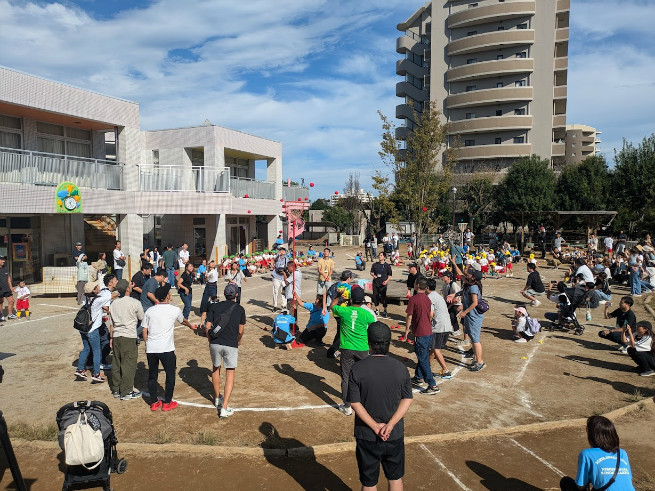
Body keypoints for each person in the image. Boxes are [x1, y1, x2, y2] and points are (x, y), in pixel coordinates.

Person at [347, 322, 413, 491]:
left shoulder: (357, 368)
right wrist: (390, 425)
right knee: (395, 478)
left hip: (367, 434)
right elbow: (407, 399)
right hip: (394, 434)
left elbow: (355, 402)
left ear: (368, 342)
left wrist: (375, 426)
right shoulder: (401, 368)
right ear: (389, 342)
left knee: (369, 483)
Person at [143, 283, 196, 412]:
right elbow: (182, 320)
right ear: (167, 296)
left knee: (152, 375)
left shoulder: (150, 311)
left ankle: (154, 402)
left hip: (152, 348)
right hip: (166, 348)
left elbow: (145, 330)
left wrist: (147, 343)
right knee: (170, 375)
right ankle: (167, 402)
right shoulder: (174, 310)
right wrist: (190, 326)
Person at [559, 415, 634, 491]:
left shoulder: (586, 454)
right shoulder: (622, 453)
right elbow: (627, 478)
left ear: (592, 435)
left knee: (566, 482)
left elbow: (580, 486)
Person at [331, 287, 375, 415]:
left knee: (346, 377)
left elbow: (332, 306)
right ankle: (366, 402)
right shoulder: (367, 314)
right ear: (362, 301)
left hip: (347, 349)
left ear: (350, 299)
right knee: (365, 376)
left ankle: (347, 406)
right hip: (362, 348)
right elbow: (373, 329)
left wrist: (338, 296)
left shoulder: (344, 311)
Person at [205, 283, 246, 418]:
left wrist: (210, 340)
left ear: (224, 294)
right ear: (236, 295)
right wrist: (238, 340)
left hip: (215, 342)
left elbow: (207, 327)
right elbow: (240, 330)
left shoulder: (214, 306)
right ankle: (224, 407)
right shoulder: (240, 309)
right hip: (230, 343)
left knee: (216, 368)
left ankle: (217, 398)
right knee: (230, 374)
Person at [109, 279, 144, 400]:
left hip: (117, 335)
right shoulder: (135, 302)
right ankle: (126, 391)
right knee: (128, 364)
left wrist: (111, 337)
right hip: (129, 335)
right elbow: (141, 317)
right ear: (128, 289)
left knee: (117, 363)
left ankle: (116, 389)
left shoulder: (113, 304)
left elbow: (111, 323)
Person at [404, 278, 438, 395]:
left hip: (420, 333)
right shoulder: (427, 299)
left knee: (423, 358)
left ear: (417, 285)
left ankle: (432, 384)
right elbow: (430, 315)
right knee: (422, 355)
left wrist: (407, 330)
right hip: (428, 331)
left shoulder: (413, 299)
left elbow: (409, 316)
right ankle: (418, 377)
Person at [451, 257, 486, 372]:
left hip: (474, 316)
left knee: (475, 339)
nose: (468, 273)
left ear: (473, 277)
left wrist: (464, 312)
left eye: (470, 273)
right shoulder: (468, 283)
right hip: (470, 315)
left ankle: (480, 362)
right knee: (472, 336)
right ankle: (475, 357)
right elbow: (460, 273)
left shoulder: (474, 287)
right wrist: (454, 263)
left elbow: (475, 303)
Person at [74, 281, 106, 383]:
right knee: (96, 351)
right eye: (97, 286)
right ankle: (96, 374)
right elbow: (111, 296)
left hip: (83, 328)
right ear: (93, 290)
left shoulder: (85, 298)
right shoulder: (98, 300)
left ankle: (80, 369)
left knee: (86, 348)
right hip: (92, 329)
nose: (99, 287)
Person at [427, 278, 452, 379]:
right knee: (434, 347)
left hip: (439, 327)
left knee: (436, 349)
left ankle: (445, 370)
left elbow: (431, 314)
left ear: (427, 287)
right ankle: (427, 365)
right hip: (446, 325)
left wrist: (427, 324)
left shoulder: (430, 297)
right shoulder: (438, 295)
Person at [325, 270, 354, 359]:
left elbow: (326, 294)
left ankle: (333, 350)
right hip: (344, 313)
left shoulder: (335, 285)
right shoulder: (349, 288)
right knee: (342, 333)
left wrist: (324, 307)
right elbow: (351, 301)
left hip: (336, 311)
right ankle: (332, 351)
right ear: (349, 278)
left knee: (339, 331)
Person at [370, 252, 392, 318]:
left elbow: (390, 275)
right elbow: (371, 272)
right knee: (375, 296)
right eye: (379, 255)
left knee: (383, 297)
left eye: (381, 255)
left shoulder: (387, 266)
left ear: (384, 257)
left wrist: (386, 281)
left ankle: (385, 310)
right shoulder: (375, 265)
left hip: (383, 284)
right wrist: (373, 275)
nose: (380, 256)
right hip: (375, 283)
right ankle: (377, 309)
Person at [271, 247, 289, 311]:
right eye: (281, 250)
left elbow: (288, 266)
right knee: (275, 291)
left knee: (284, 291)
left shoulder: (286, 259)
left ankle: (284, 305)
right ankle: (275, 306)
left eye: (283, 250)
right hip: (276, 276)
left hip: (283, 277)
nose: (282, 251)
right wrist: (278, 255)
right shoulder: (277, 257)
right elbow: (274, 260)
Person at [0, 256, 15, 321]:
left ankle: (10, 314)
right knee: (1, 302)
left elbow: (8, 277)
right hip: (0, 289)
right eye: (2, 260)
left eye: (4, 259)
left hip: (6, 288)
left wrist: (11, 287)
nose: (4, 261)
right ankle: (1, 316)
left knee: (12, 301)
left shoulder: (5, 268)